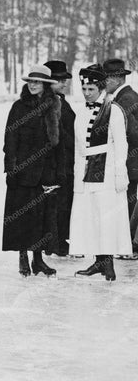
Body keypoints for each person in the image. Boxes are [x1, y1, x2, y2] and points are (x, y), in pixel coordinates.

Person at [71, 64, 131, 281]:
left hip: (106, 169)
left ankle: (108, 265)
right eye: (84, 89)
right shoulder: (81, 112)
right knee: (92, 216)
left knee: (106, 216)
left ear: (101, 89)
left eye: (91, 90)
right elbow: (79, 146)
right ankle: (99, 261)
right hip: (87, 169)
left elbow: (122, 143)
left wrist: (119, 173)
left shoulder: (113, 109)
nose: (87, 94)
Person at [2, 65, 65, 277]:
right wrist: (11, 167)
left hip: (45, 171)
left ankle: (38, 260)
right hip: (22, 171)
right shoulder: (19, 107)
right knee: (22, 216)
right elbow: (9, 139)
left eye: (37, 82)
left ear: (46, 85)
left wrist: (58, 172)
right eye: (30, 81)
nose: (32, 85)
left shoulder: (54, 106)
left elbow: (59, 142)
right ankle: (22, 257)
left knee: (42, 217)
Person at [103, 58, 138, 260]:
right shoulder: (127, 96)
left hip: (130, 161)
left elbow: (133, 133)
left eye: (105, 78)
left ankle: (130, 247)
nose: (103, 83)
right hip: (130, 160)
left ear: (116, 79)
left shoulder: (125, 99)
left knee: (129, 201)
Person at [44, 60, 77, 257]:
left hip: (67, 162)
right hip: (55, 163)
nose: (64, 83)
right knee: (55, 203)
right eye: (59, 79)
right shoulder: (48, 103)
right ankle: (53, 242)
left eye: (65, 79)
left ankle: (59, 239)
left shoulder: (62, 101)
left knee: (63, 203)